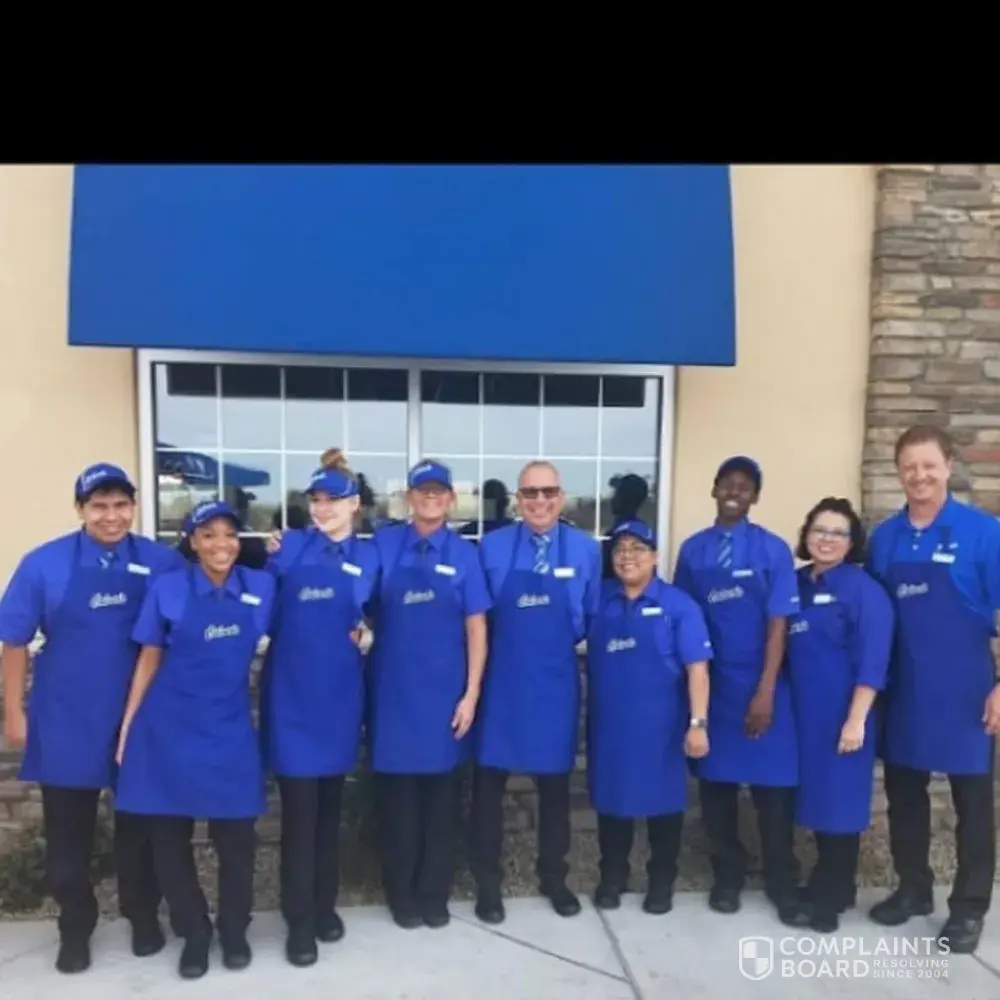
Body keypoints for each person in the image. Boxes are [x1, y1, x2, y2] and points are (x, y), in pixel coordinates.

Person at [0, 462, 184, 973]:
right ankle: (75, 928)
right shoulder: (44, 564)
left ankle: (142, 916)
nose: (111, 516)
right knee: (68, 834)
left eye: (121, 505)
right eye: (99, 506)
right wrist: (13, 711)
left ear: (134, 507)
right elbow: (13, 640)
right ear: (80, 509)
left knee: (141, 827)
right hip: (67, 718)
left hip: (140, 719)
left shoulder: (163, 562)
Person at [114, 499, 276, 979]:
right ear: (192, 542)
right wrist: (128, 728)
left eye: (229, 534)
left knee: (237, 838)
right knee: (168, 841)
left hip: (228, 729)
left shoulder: (262, 586)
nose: (221, 544)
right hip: (167, 729)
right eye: (208, 535)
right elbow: (148, 659)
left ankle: (234, 930)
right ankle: (194, 933)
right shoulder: (168, 588)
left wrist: (354, 629)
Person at [865, 425, 1000, 954]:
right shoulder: (885, 538)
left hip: (967, 688)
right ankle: (913, 889)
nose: (919, 476)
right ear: (898, 473)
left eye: (928, 465)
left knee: (973, 804)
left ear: (948, 467)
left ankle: (968, 909)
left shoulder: (983, 532)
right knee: (904, 796)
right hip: (904, 686)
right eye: (909, 467)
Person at [672, 455, 808, 926]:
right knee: (717, 789)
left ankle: (781, 881)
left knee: (773, 792)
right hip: (715, 685)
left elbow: (778, 624)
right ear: (714, 489)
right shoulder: (693, 551)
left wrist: (765, 690)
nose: (734, 491)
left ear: (755, 497)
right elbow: (686, 618)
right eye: (727, 483)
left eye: (744, 486)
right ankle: (727, 876)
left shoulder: (773, 550)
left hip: (763, 682)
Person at [472, 460, 602, 924]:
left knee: (555, 790)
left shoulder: (586, 550)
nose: (540, 501)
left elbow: (590, 617)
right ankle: (488, 885)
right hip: (501, 684)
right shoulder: (491, 547)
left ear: (561, 497)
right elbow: (477, 617)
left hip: (554, 682)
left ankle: (554, 877)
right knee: (487, 792)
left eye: (548, 492)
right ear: (518, 499)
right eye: (530, 493)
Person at [259, 461, 378, 967]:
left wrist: (370, 633)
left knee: (330, 816)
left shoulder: (371, 556)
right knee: (300, 819)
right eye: (316, 500)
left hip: (340, 700)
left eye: (333, 499)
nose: (323, 508)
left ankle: (325, 907)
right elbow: (263, 613)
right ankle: (299, 921)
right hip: (291, 701)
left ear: (354, 504)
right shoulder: (286, 549)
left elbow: (380, 615)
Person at [366, 460, 489, 929]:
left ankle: (434, 894)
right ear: (409, 497)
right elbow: (354, 593)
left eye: (439, 491)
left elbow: (476, 629)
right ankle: (401, 894)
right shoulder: (383, 544)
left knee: (441, 806)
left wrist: (471, 694)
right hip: (394, 696)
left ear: (451, 499)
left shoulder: (465, 555)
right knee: (399, 808)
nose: (431, 498)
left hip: (445, 700)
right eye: (423, 491)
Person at [588, 519, 711, 914]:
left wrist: (698, 724)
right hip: (610, 727)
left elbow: (698, 669)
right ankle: (612, 878)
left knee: (664, 808)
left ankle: (661, 883)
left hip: (662, 728)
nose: (628, 557)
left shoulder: (679, 606)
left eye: (638, 549)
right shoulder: (598, 599)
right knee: (612, 804)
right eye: (620, 549)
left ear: (655, 556)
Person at [785, 497, 894, 932]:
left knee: (840, 807)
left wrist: (856, 719)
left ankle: (828, 901)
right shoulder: (796, 584)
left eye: (837, 533)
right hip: (803, 714)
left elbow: (873, 660)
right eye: (819, 530)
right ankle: (835, 885)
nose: (826, 539)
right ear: (806, 535)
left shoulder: (864, 591)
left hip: (844, 715)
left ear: (852, 543)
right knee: (817, 802)